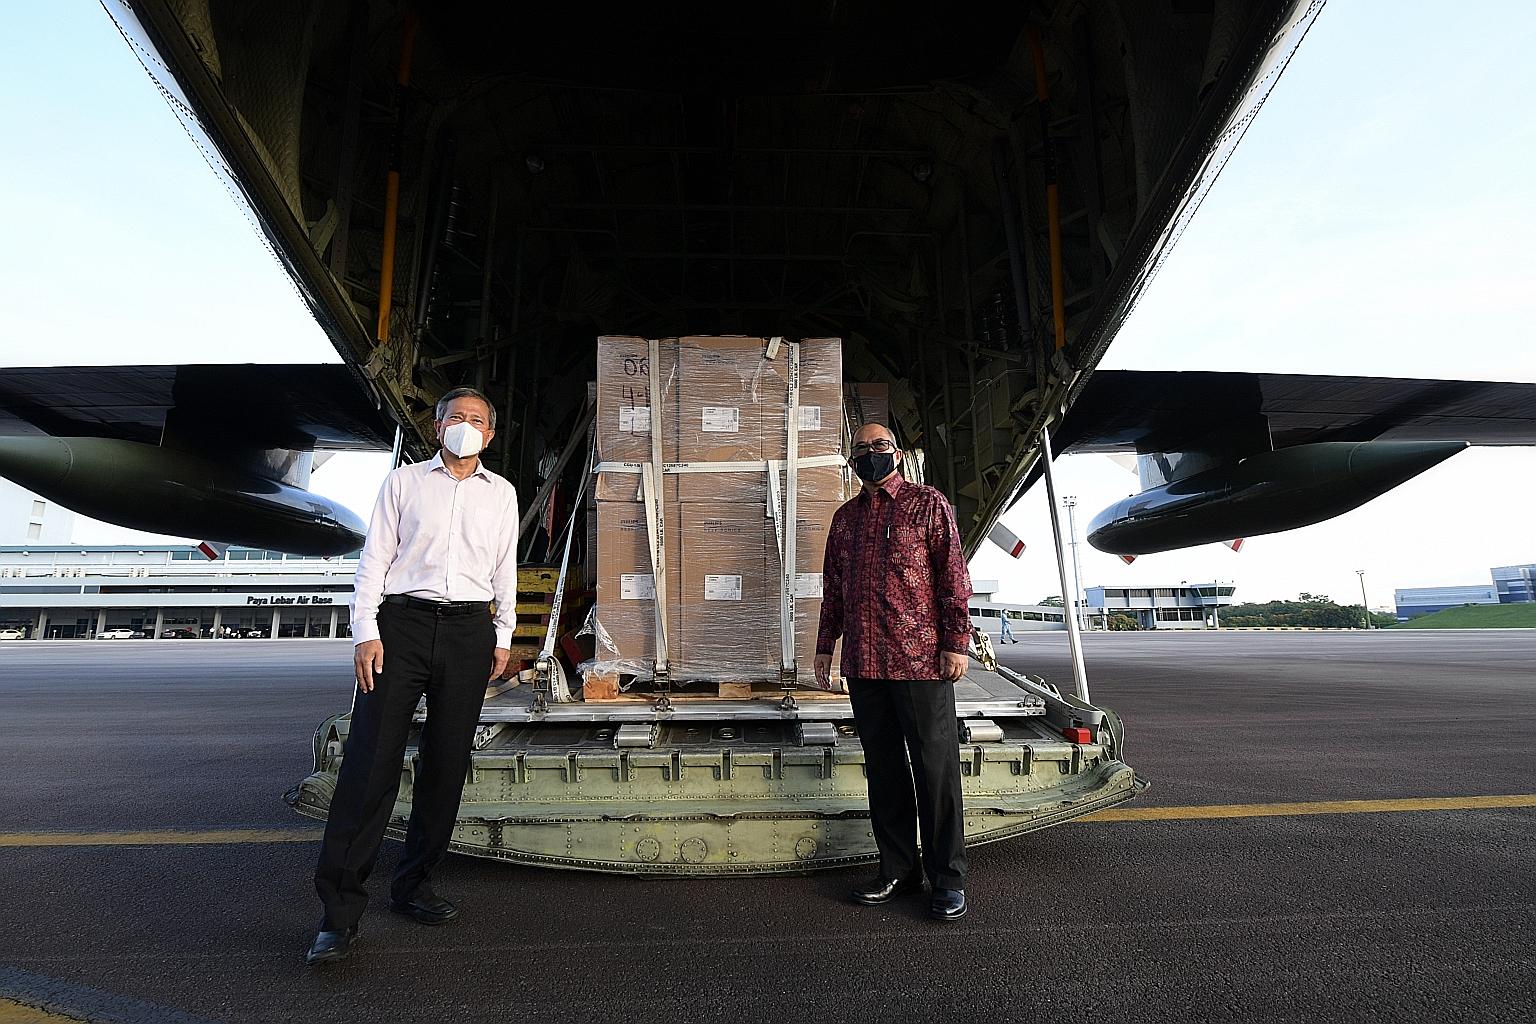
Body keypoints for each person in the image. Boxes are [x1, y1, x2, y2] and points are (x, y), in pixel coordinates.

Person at [307, 387, 519, 965]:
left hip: (469, 632)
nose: (466, 427)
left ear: (491, 435)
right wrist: (365, 632)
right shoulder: (403, 482)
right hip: (400, 627)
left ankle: (414, 885)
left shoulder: (501, 493)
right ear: (438, 426)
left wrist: (501, 638)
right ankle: (339, 914)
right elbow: (374, 558)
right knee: (369, 762)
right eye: (457, 418)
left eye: (478, 420)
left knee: (446, 764)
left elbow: (506, 566)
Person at [814, 422, 973, 921]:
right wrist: (825, 647)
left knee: (935, 770)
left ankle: (947, 878)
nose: (870, 454)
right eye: (861, 449)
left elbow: (954, 577)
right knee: (884, 772)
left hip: (921, 661)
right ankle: (899, 871)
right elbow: (833, 589)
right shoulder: (844, 520)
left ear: (898, 455)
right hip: (864, 663)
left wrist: (956, 642)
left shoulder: (928, 504)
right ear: (851, 460)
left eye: (879, 447)